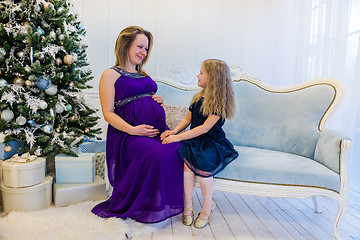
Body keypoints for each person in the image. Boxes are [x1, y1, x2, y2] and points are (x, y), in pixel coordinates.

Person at [91, 26, 184, 223]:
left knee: (179, 148)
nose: (144, 52)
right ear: (125, 45)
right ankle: (144, 204)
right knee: (157, 155)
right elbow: (108, 113)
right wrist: (134, 130)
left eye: (147, 48)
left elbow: (143, 97)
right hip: (129, 135)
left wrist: (157, 100)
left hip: (158, 130)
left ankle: (157, 200)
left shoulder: (144, 73)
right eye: (139, 46)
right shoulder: (110, 75)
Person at [161, 59, 239, 228]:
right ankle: (187, 207)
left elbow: (204, 128)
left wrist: (178, 138)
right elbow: (188, 119)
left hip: (211, 142)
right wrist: (174, 132)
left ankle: (206, 207)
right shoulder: (197, 97)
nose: (198, 75)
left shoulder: (218, 103)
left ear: (213, 78)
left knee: (204, 168)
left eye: (201, 72)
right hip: (194, 139)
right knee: (186, 167)